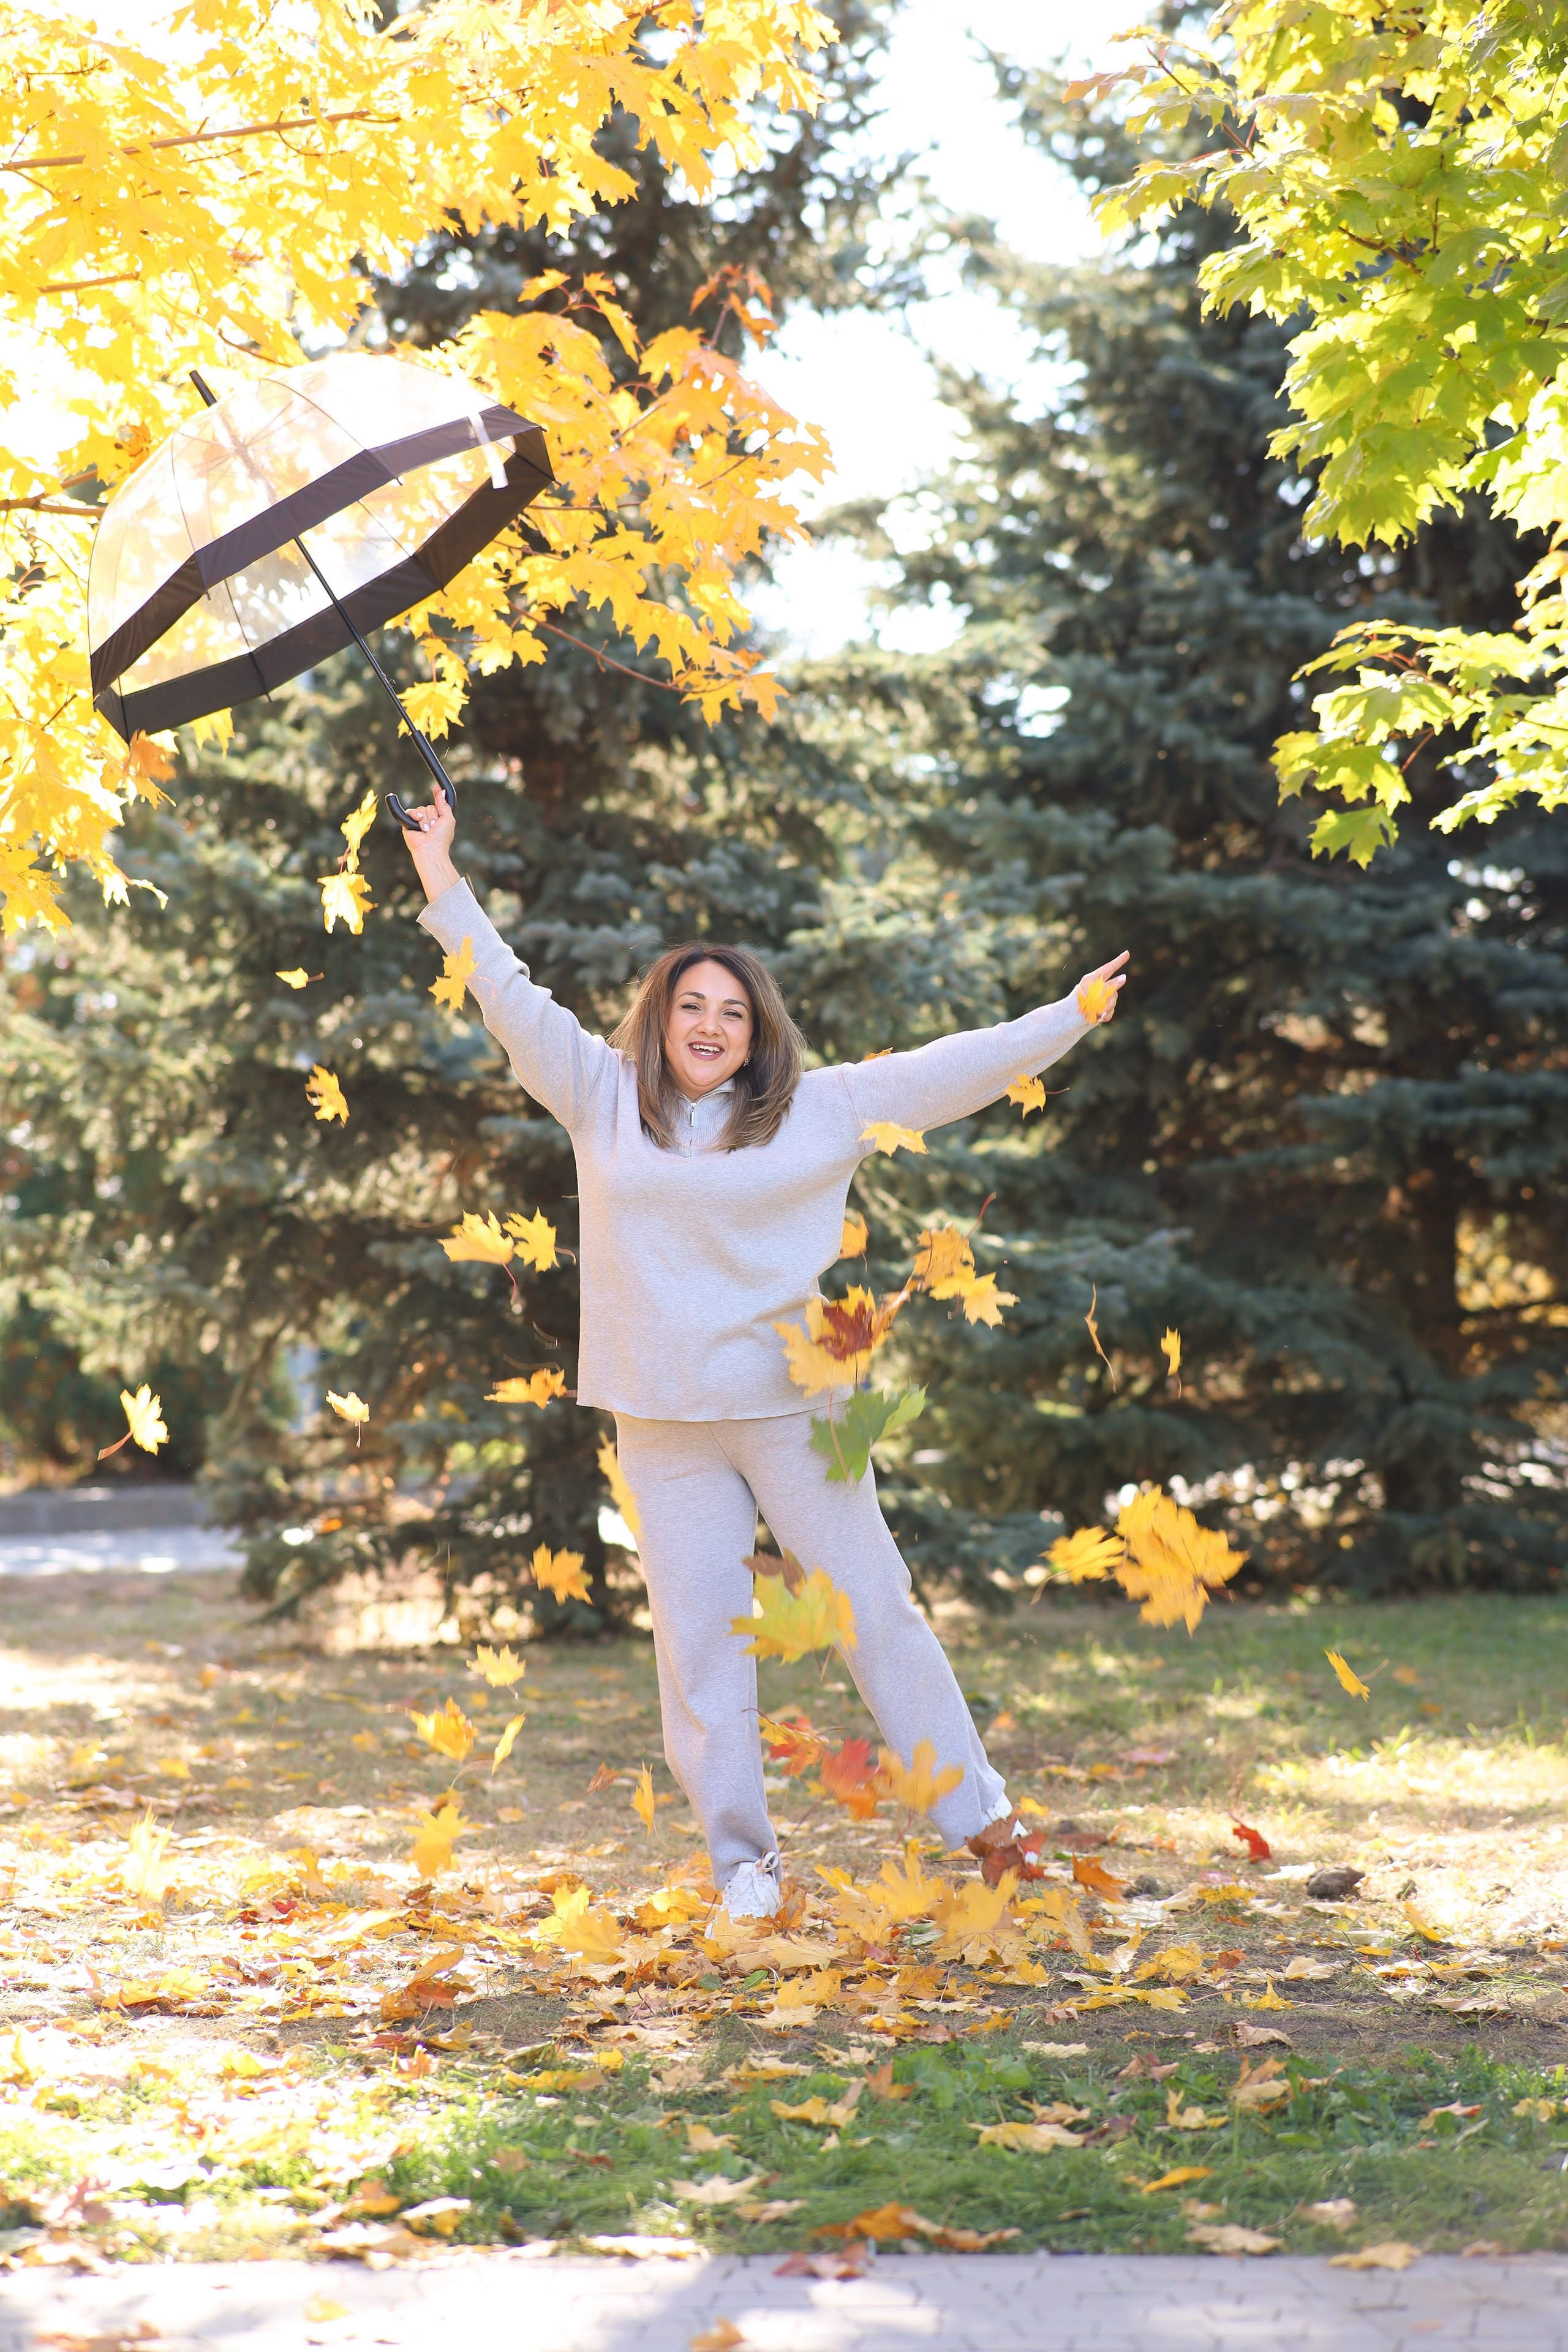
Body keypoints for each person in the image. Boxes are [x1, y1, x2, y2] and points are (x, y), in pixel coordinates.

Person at [400, 794, 1126, 1921]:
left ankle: (984, 1822)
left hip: (796, 1411)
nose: (708, 1024)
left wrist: (1066, 1018)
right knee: (699, 1651)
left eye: (729, 1011)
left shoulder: (819, 1110)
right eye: (689, 1004)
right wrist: (443, 876)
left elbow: (951, 1070)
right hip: (660, 1422)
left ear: (755, 1031)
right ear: (659, 1018)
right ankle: (745, 1865)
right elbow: (506, 990)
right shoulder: (599, 1095)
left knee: (874, 1607)